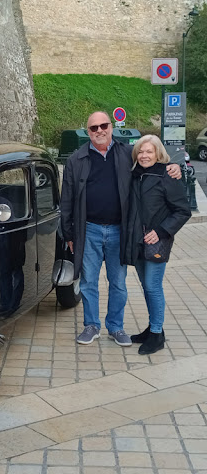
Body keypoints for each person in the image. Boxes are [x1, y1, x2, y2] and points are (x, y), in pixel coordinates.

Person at [60, 112, 181, 346]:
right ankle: (91, 325)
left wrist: (171, 166)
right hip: (89, 230)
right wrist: (68, 234)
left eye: (103, 125)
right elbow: (67, 200)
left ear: (111, 127)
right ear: (88, 131)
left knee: (118, 282)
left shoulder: (127, 153)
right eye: (93, 128)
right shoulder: (76, 159)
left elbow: (150, 163)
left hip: (120, 231)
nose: (99, 131)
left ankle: (115, 327)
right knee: (88, 282)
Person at [122, 135, 190, 355]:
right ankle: (153, 329)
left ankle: (157, 334)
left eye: (149, 152)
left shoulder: (167, 175)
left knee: (153, 287)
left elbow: (182, 211)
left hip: (156, 242)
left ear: (158, 153)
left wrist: (160, 232)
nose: (144, 156)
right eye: (141, 151)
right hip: (138, 242)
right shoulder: (134, 175)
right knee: (147, 288)